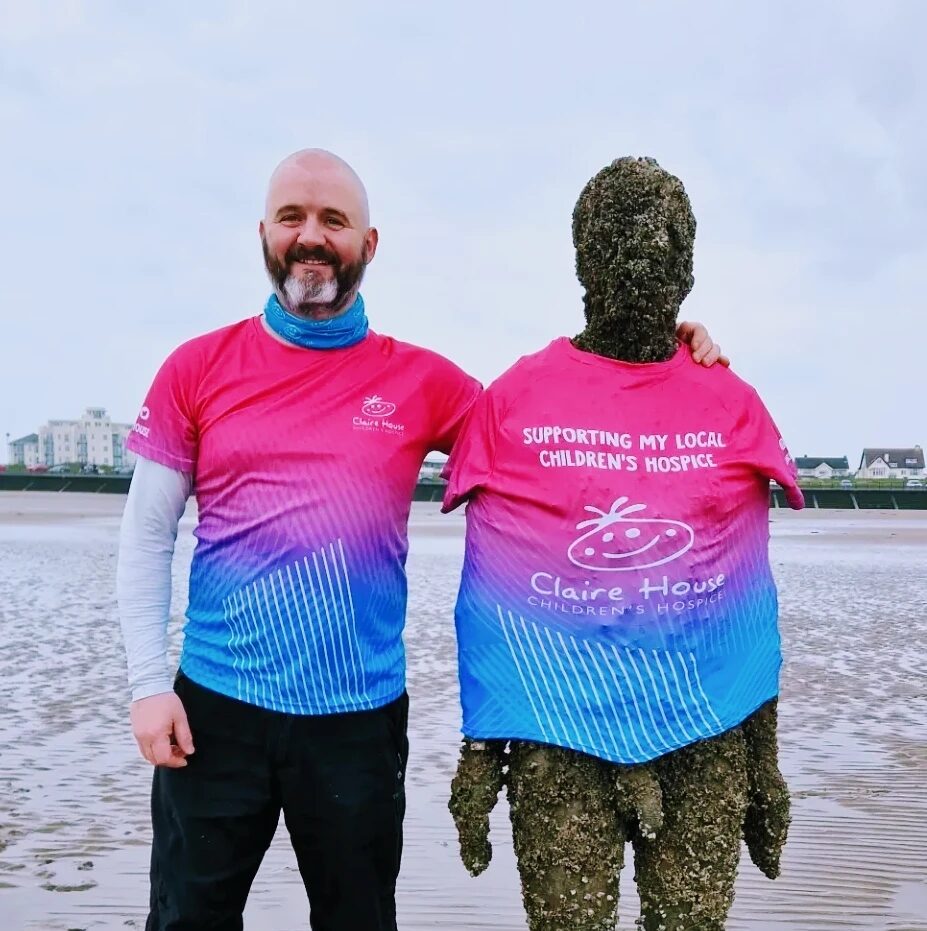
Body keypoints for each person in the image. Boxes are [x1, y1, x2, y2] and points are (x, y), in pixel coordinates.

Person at [117, 148, 724, 930]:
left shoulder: (423, 382)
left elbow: (552, 430)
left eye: (334, 220)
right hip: (213, 711)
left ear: (368, 244)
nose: (311, 237)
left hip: (358, 721)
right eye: (292, 217)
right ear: (263, 233)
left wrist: (657, 352)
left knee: (360, 918)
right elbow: (146, 534)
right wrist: (146, 684)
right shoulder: (197, 367)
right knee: (186, 919)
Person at [443, 157, 802, 931]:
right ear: (580, 255)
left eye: (668, 234)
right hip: (557, 732)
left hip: (704, 732)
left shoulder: (731, 403)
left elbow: (750, 591)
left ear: (691, 262)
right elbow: (489, 581)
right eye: (618, 233)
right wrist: (479, 752)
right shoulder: (512, 401)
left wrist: (764, 761)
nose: (645, 249)